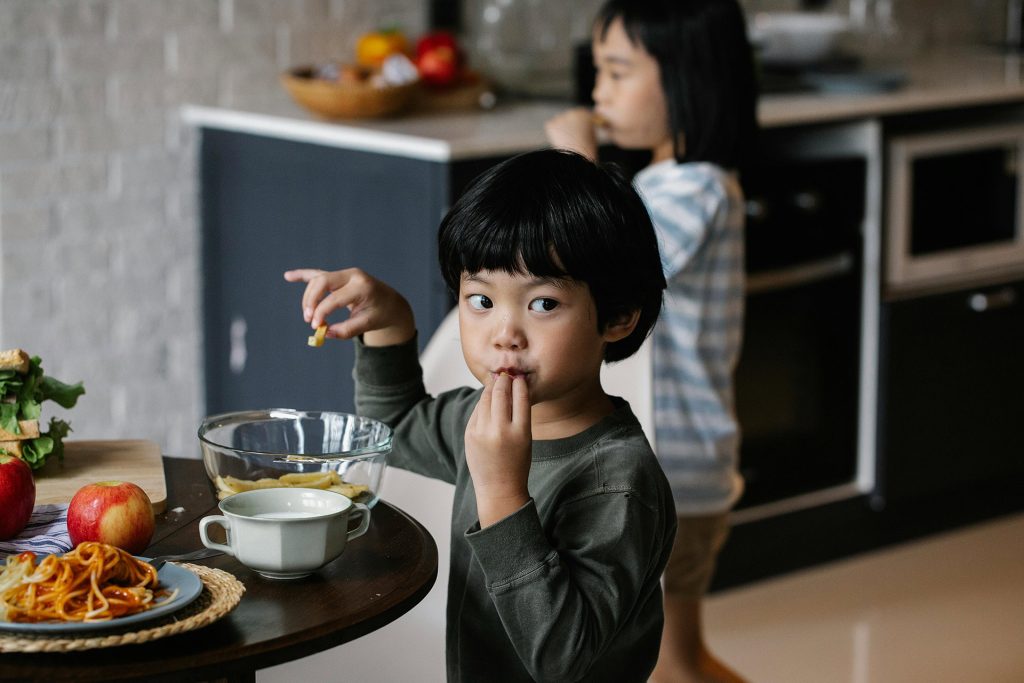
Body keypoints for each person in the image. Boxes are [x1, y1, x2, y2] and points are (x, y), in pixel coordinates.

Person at [284, 149, 677, 682]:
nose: (504, 333)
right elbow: (395, 431)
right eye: (480, 300)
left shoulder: (618, 481)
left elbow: (562, 657)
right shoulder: (483, 419)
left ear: (619, 317)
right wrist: (392, 325)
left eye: (543, 304)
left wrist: (501, 492)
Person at [545, 2, 758, 682]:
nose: (598, 91)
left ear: (688, 79)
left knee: (668, 667)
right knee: (681, 657)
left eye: (617, 71)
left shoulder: (695, 190)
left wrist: (574, 163)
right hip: (684, 469)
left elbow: (593, 258)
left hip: (672, 471)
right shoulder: (668, 184)